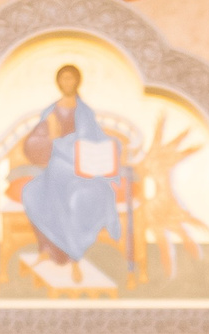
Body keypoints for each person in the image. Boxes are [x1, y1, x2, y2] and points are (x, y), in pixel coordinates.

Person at [15, 64, 126, 273]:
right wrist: (51, 138)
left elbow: (95, 138)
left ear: (77, 81)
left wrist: (113, 147)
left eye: (71, 79)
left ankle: (74, 254)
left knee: (81, 195)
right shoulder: (52, 110)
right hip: (58, 163)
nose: (68, 83)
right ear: (59, 83)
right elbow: (36, 141)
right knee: (32, 192)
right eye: (64, 79)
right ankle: (48, 251)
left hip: (83, 165)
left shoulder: (85, 112)